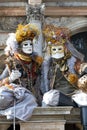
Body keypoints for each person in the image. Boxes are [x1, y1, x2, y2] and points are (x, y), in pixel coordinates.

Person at [0, 23, 43, 122]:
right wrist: (10, 79)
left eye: (30, 44)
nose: (29, 47)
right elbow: (1, 81)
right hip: (13, 94)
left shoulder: (36, 63)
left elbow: (40, 84)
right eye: (26, 44)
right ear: (19, 47)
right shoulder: (12, 62)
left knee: (30, 99)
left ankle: (13, 113)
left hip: (29, 97)